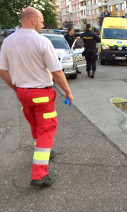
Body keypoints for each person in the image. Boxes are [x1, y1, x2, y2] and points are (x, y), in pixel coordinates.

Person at [0, 7, 74, 188]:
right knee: (47, 129)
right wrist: (68, 92)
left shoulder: (8, 41)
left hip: (23, 93)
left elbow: (3, 70)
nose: (42, 25)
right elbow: (56, 71)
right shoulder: (41, 41)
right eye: (41, 22)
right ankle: (39, 174)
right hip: (41, 93)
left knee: (35, 124)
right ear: (33, 20)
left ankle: (44, 151)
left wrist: (16, 88)